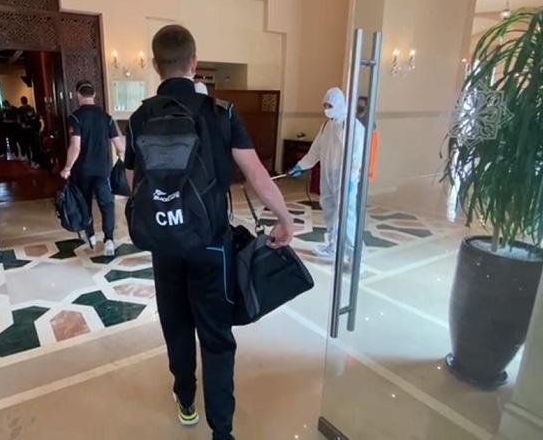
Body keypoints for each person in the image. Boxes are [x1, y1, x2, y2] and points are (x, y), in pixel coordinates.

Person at [124, 24, 295, 440]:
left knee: (176, 325)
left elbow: (133, 183)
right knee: (215, 336)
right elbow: (255, 172)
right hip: (212, 245)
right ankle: (222, 431)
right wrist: (285, 217)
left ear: (154, 65)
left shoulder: (140, 116)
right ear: (195, 63)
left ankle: (185, 400)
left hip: (165, 243)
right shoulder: (221, 112)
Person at [289, 88, 366, 263]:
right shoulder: (327, 125)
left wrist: (352, 179)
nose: (326, 108)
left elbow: (357, 155)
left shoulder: (352, 126)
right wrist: (301, 166)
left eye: (329, 105)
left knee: (346, 217)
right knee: (330, 213)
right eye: (325, 105)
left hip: (344, 177)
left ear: (339, 104)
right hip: (328, 174)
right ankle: (333, 247)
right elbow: (316, 150)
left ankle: (355, 259)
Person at [60, 81, 125, 256]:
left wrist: (67, 168)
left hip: (83, 170)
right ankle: (109, 240)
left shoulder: (75, 117)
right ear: (94, 95)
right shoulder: (107, 117)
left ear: (78, 96)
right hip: (103, 170)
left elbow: (76, 146)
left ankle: (91, 237)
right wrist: (122, 156)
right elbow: (119, 145)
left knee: (84, 203)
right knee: (107, 204)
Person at [18, 96, 42, 168]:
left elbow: (19, 120)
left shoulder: (21, 110)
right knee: (32, 147)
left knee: (30, 147)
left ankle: (32, 160)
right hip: (31, 133)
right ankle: (33, 161)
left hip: (28, 132)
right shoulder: (32, 111)